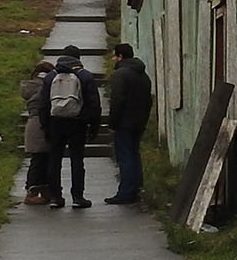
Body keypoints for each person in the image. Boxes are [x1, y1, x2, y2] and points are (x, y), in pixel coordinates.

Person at [34, 50, 102, 210]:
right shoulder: (85, 76)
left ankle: (56, 197)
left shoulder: (51, 77)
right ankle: (78, 197)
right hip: (78, 123)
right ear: (77, 58)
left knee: (54, 160)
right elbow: (94, 104)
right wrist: (93, 126)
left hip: (55, 123)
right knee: (77, 160)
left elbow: (43, 104)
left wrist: (45, 125)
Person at [103, 41, 152, 205]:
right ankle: (137, 188)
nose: (113, 59)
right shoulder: (143, 75)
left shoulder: (121, 75)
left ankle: (126, 192)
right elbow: (148, 100)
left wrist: (112, 123)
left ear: (120, 56)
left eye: (115, 56)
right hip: (139, 121)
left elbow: (117, 100)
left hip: (124, 122)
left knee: (125, 157)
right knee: (134, 154)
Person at [19, 60, 56, 204]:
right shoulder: (45, 87)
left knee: (38, 159)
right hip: (42, 124)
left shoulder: (31, 87)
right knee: (40, 160)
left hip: (33, 124)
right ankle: (33, 191)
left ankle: (39, 190)